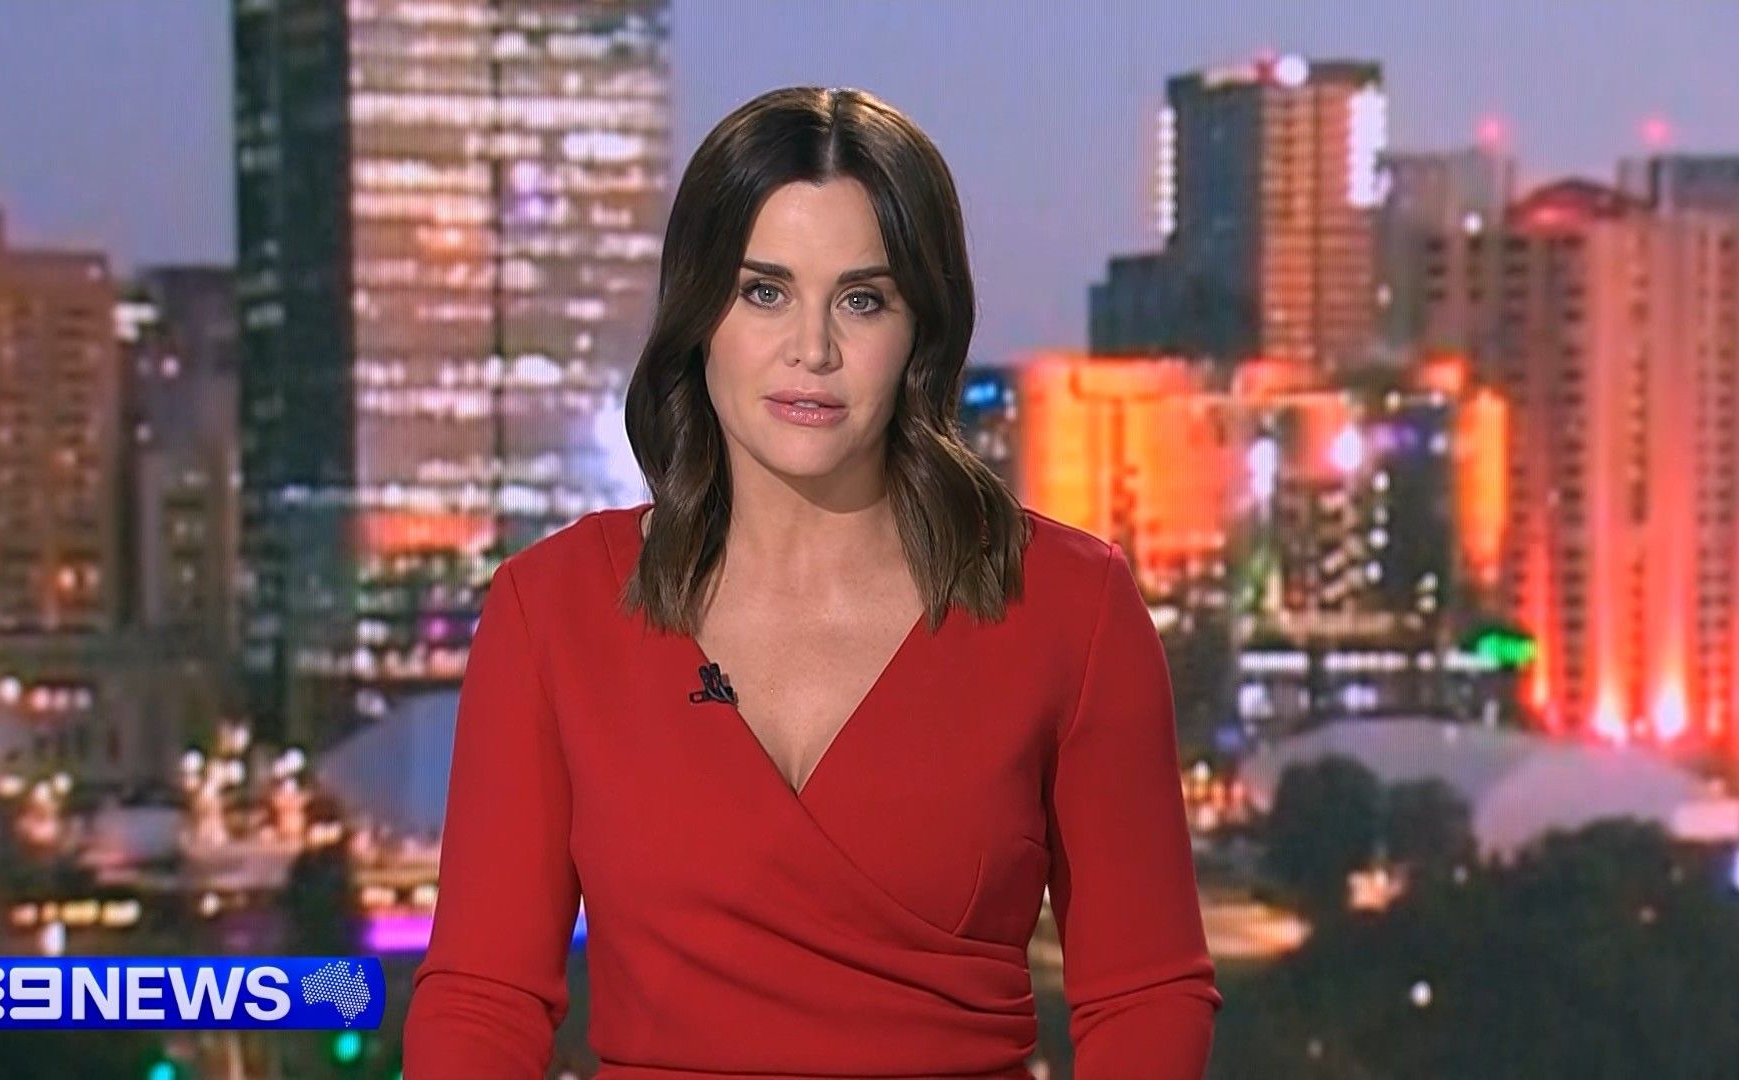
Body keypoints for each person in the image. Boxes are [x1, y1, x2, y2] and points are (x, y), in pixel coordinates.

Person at [404, 85, 1221, 1079]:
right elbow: (482, 1000)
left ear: (920, 330)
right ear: (698, 313)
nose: (813, 349)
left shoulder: (1069, 610)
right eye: (765, 292)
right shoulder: (552, 611)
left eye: (863, 299)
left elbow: (1145, 997)